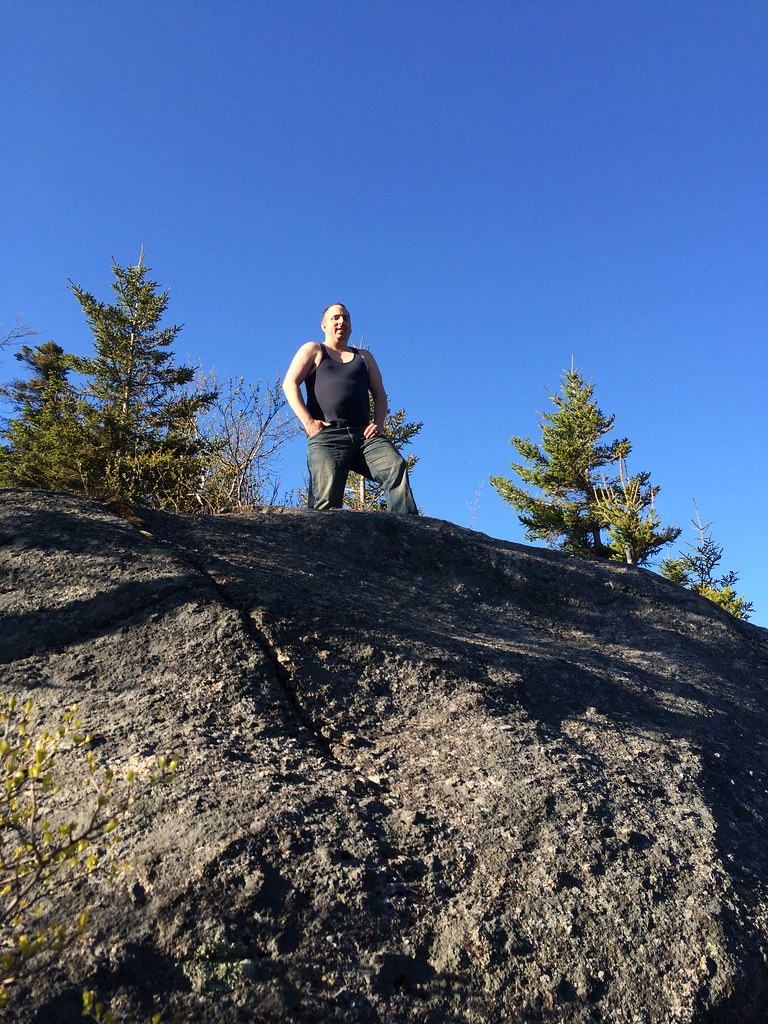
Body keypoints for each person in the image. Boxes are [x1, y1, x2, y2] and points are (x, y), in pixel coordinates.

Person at [282, 303, 417, 512]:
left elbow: (380, 395)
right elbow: (289, 383)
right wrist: (308, 422)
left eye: (345, 318)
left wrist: (378, 424)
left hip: (364, 436)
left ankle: (407, 532)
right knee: (325, 501)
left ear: (351, 326)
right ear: (324, 325)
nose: (341, 321)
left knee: (394, 467)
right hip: (328, 435)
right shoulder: (314, 349)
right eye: (335, 318)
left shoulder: (364, 357)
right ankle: (320, 543)